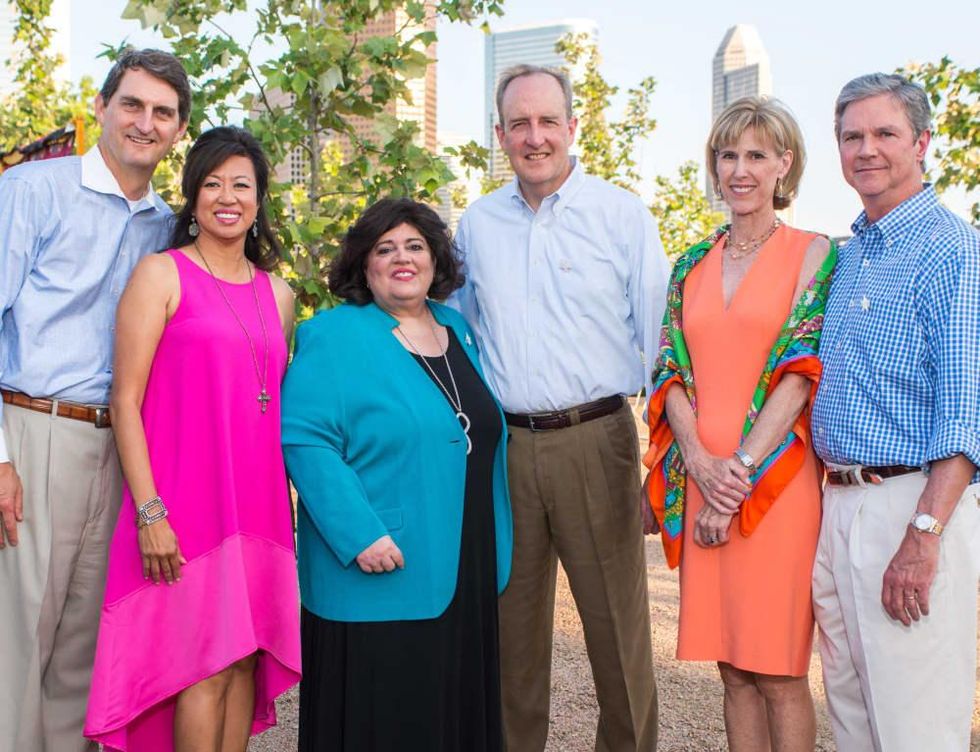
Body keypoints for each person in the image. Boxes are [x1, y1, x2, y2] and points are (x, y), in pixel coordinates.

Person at [450, 64, 667, 752]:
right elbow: (456, 336)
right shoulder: (477, 224)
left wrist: (660, 462)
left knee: (617, 637)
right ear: (500, 134)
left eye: (548, 122)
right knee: (509, 640)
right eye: (520, 124)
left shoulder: (622, 214)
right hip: (506, 451)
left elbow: (662, 345)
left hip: (597, 439)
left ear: (574, 128)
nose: (535, 137)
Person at [82, 126, 301, 750]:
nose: (226, 196)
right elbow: (124, 401)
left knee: (241, 662)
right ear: (192, 196)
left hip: (258, 508)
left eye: (241, 184)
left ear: (260, 199)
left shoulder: (279, 295)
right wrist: (150, 512)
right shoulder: (161, 275)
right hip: (181, 507)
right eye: (212, 184)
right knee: (201, 668)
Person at [0, 49, 190, 752]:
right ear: (105, 107)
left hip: (120, 448)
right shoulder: (32, 191)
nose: (145, 122)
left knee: (84, 645)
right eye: (133, 104)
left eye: (162, 113)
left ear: (177, 132)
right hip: (31, 430)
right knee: (13, 645)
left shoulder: (168, 230)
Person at [280, 198, 512, 751]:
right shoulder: (333, 335)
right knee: (392, 718)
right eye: (385, 249)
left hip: (465, 556)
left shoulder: (457, 329)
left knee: (451, 708)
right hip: (382, 555)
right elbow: (304, 439)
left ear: (436, 261)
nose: (401, 259)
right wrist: (360, 532)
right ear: (365, 265)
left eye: (415, 246)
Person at [643, 96, 835, 752]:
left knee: (778, 671)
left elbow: (799, 371)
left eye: (757, 154)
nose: (741, 169)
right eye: (729, 155)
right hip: (704, 476)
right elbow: (670, 371)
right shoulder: (689, 263)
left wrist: (738, 475)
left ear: (785, 164)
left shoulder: (815, 254)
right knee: (731, 670)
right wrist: (699, 461)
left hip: (776, 486)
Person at [811, 73, 980, 752]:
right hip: (839, 503)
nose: (866, 149)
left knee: (916, 727)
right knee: (852, 714)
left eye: (884, 133)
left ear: (923, 142)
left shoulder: (955, 250)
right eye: (852, 136)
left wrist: (923, 534)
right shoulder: (849, 257)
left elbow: (967, 409)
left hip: (913, 503)